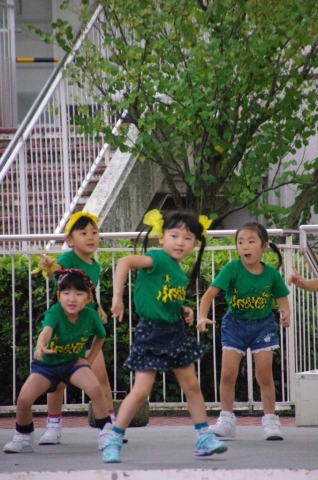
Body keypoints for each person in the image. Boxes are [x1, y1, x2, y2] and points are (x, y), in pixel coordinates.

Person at [102, 209, 228, 463]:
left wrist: (183, 309)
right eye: (174, 235)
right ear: (162, 238)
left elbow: (165, 297)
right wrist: (117, 297)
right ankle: (113, 438)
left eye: (188, 238)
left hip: (175, 331)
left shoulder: (179, 272)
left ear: (195, 243)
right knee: (141, 390)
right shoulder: (157, 258)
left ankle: (203, 436)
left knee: (191, 385)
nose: (180, 242)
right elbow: (126, 261)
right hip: (152, 332)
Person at [197, 222, 290, 441]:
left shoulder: (271, 274)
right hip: (235, 325)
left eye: (251, 241)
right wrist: (201, 316)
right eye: (240, 242)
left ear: (264, 246)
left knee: (264, 374)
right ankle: (226, 419)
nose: (245, 247)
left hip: (263, 326)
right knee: (228, 373)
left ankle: (270, 420)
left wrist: (285, 312)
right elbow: (209, 294)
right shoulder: (231, 269)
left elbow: (281, 298)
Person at [3, 269, 111, 454]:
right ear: (59, 295)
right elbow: (46, 330)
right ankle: (23, 436)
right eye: (67, 293)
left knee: (94, 388)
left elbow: (101, 336)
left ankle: (106, 433)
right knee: (24, 399)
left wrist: (88, 359)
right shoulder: (55, 312)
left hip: (72, 363)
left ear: (88, 297)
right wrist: (40, 346)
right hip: (46, 366)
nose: (72, 298)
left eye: (79, 293)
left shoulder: (91, 316)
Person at [34, 212, 117, 448]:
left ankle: (109, 423)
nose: (91, 237)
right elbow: (55, 270)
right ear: (70, 240)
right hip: (62, 328)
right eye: (83, 233)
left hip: (86, 328)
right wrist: (48, 266)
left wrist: (98, 307)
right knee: (56, 380)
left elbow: (86, 292)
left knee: (99, 375)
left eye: (94, 232)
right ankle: (53, 425)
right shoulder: (68, 259)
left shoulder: (96, 265)